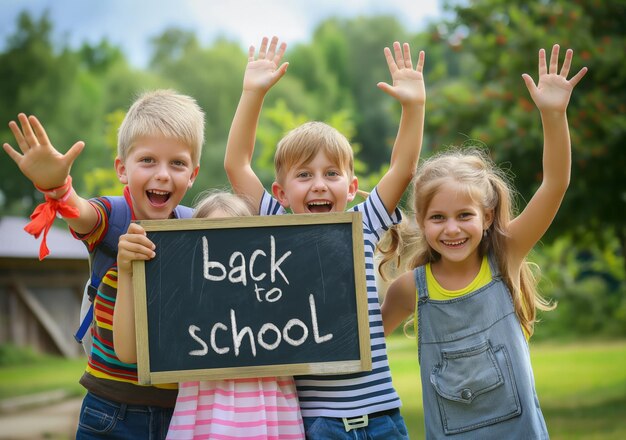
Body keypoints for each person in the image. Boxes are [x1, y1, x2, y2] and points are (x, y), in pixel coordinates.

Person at [381, 44, 587, 439]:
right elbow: (365, 345)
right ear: (421, 222)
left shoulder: (505, 256)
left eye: (464, 216)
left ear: (487, 217)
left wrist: (554, 115)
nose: (452, 229)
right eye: (437, 218)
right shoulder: (412, 288)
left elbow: (555, 183)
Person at [224, 36, 426, 439]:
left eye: (331, 174)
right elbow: (236, 164)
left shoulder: (361, 224)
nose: (319, 185)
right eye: (304, 175)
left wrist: (414, 106)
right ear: (281, 194)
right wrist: (252, 94)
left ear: (351, 187)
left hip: (383, 414)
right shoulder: (275, 227)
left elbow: (403, 167)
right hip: (318, 422)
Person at [2, 89, 204, 439]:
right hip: (111, 412)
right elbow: (78, 212)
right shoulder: (112, 217)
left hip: (181, 413)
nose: (162, 175)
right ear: (122, 169)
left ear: (193, 175)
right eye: (147, 161)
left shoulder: (194, 227)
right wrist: (56, 185)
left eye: (177, 163)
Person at [113, 190, 305, 439]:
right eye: (212, 240)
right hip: (201, 426)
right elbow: (128, 352)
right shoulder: (182, 304)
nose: (226, 255)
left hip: (273, 425)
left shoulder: (276, 299)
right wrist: (126, 272)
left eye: (237, 238)